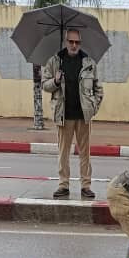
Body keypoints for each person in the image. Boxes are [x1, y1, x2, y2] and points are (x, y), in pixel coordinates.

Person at [42, 29, 104, 199]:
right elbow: (44, 85)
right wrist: (55, 80)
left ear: (80, 43)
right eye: (71, 41)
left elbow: (98, 89)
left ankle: (86, 185)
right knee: (63, 152)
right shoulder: (55, 62)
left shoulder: (88, 62)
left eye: (77, 42)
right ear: (66, 41)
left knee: (85, 153)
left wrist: (93, 107)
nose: (74, 45)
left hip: (84, 116)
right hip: (63, 115)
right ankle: (63, 185)